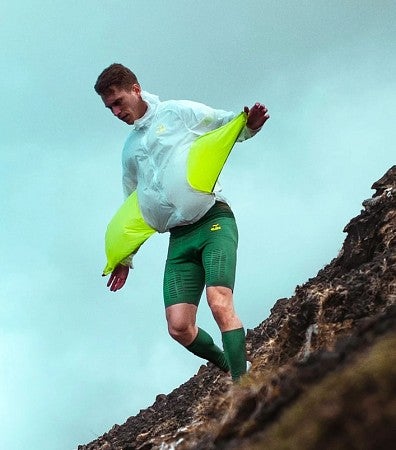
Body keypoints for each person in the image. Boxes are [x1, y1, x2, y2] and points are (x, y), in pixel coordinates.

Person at [94, 63, 269, 381]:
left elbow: (226, 124)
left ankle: (243, 386)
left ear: (136, 89)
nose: (116, 112)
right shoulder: (129, 150)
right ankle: (232, 365)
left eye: (118, 102)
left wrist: (250, 126)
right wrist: (125, 256)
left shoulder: (176, 113)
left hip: (212, 220)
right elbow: (132, 206)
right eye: (110, 108)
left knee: (219, 301)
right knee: (179, 327)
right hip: (179, 239)